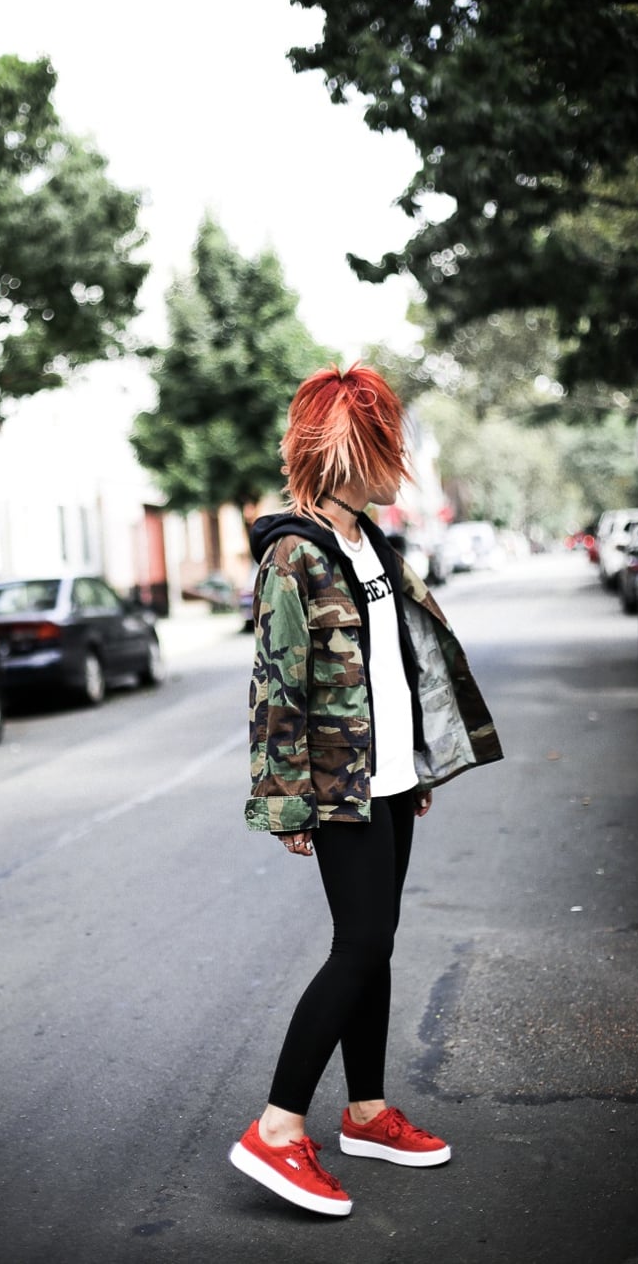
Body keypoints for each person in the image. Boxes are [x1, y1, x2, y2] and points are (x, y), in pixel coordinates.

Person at [228, 362, 503, 1218]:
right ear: (350, 453)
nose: (400, 465)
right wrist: (286, 804)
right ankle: (275, 1127)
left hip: (387, 779)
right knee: (359, 946)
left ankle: (367, 1110)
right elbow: (278, 685)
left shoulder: (368, 543)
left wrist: (414, 762)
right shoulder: (294, 554)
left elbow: (391, 666)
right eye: (388, 446)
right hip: (337, 789)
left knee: (375, 945)